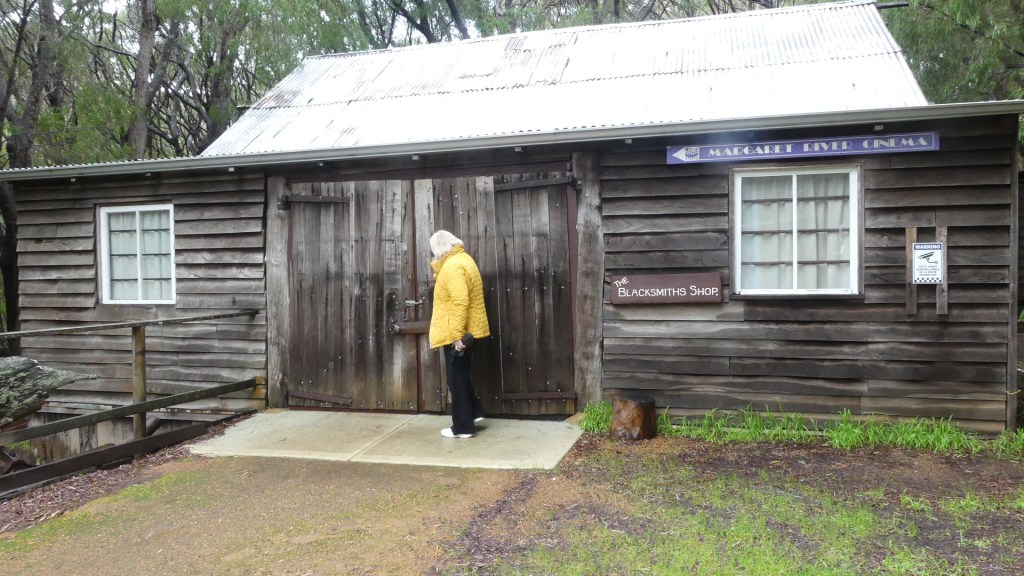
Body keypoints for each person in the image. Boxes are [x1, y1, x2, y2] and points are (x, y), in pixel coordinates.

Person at [428, 230, 490, 438]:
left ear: (439, 248)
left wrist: (457, 337)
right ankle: (474, 412)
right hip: (470, 329)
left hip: (460, 333)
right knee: (460, 376)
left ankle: (463, 428)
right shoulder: (463, 259)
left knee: (456, 380)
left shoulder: (452, 267)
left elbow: (460, 302)